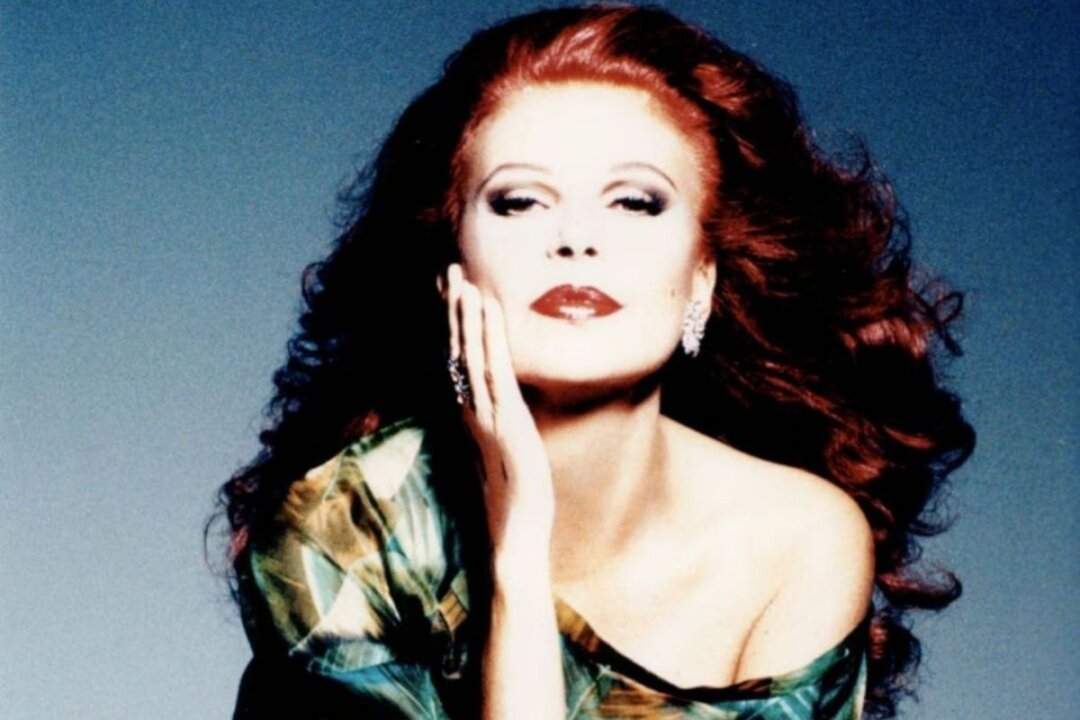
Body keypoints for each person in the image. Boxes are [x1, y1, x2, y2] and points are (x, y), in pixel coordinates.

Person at [211, 4, 975, 718]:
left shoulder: (797, 540)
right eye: (520, 202)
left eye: (635, 202)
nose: (577, 239)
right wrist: (517, 559)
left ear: (702, 280)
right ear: (453, 270)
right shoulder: (349, 530)